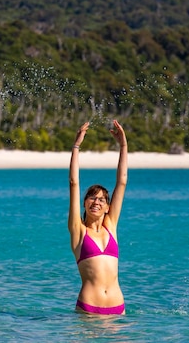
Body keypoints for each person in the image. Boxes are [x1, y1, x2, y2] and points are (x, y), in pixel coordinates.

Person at [68, 119, 128, 315]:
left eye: (102, 200)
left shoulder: (111, 226)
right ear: (85, 202)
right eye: (92, 198)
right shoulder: (78, 230)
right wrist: (76, 146)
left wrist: (123, 145)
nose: (96, 202)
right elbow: (73, 183)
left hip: (117, 309)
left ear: (107, 207)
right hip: (89, 309)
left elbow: (122, 182)